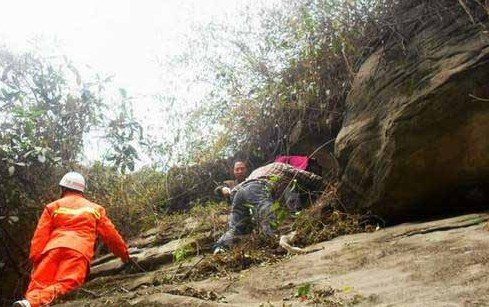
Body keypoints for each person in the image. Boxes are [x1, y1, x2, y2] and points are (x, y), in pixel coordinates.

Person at [13, 172, 130, 307]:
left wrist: (36, 259)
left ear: (63, 188)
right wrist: (124, 255)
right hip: (77, 252)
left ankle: (28, 303)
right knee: (68, 283)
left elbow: (40, 236)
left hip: (52, 249)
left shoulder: (53, 207)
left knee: (38, 284)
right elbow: (111, 236)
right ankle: (32, 303)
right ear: (82, 190)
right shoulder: (95, 209)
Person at [214, 162, 322, 253]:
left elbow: (236, 191)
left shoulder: (256, 171)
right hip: (258, 188)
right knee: (268, 216)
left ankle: (219, 247)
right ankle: (275, 244)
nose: (240, 170)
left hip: (239, 192)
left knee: (237, 227)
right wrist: (324, 183)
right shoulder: (283, 167)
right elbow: (307, 176)